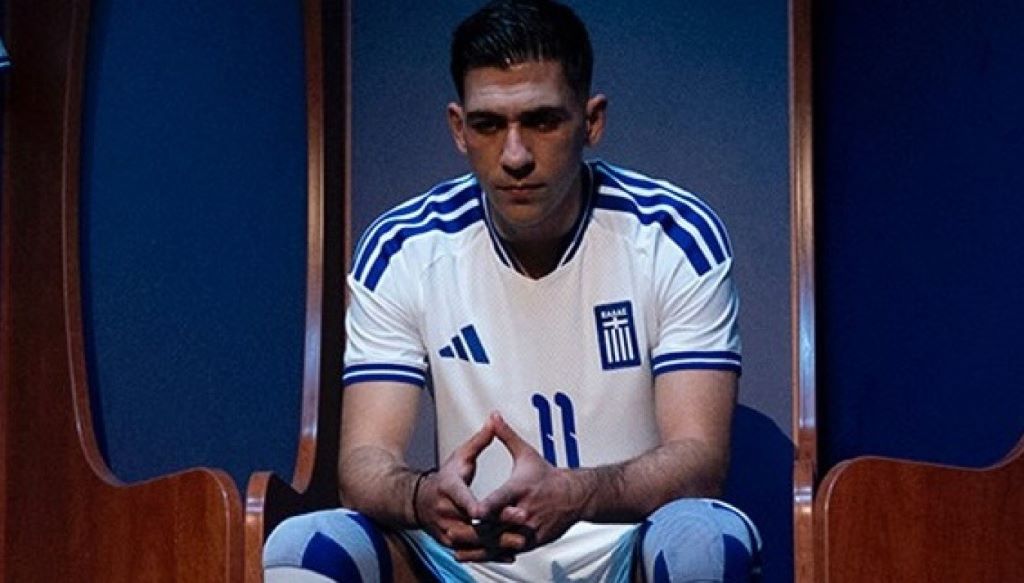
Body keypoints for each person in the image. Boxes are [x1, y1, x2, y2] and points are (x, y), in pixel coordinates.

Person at [264, 0, 761, 581]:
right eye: (489, 125)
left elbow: (699, 461)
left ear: (592, 121)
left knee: (708, 540)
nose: (516, 155)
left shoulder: (673, 237)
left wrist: (574, 493)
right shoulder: (404, 249)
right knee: (307, 547)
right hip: (463, 562)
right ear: (459, 128)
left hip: (625, 553)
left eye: (543, 121)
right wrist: (422, 497)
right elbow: (363, 463)